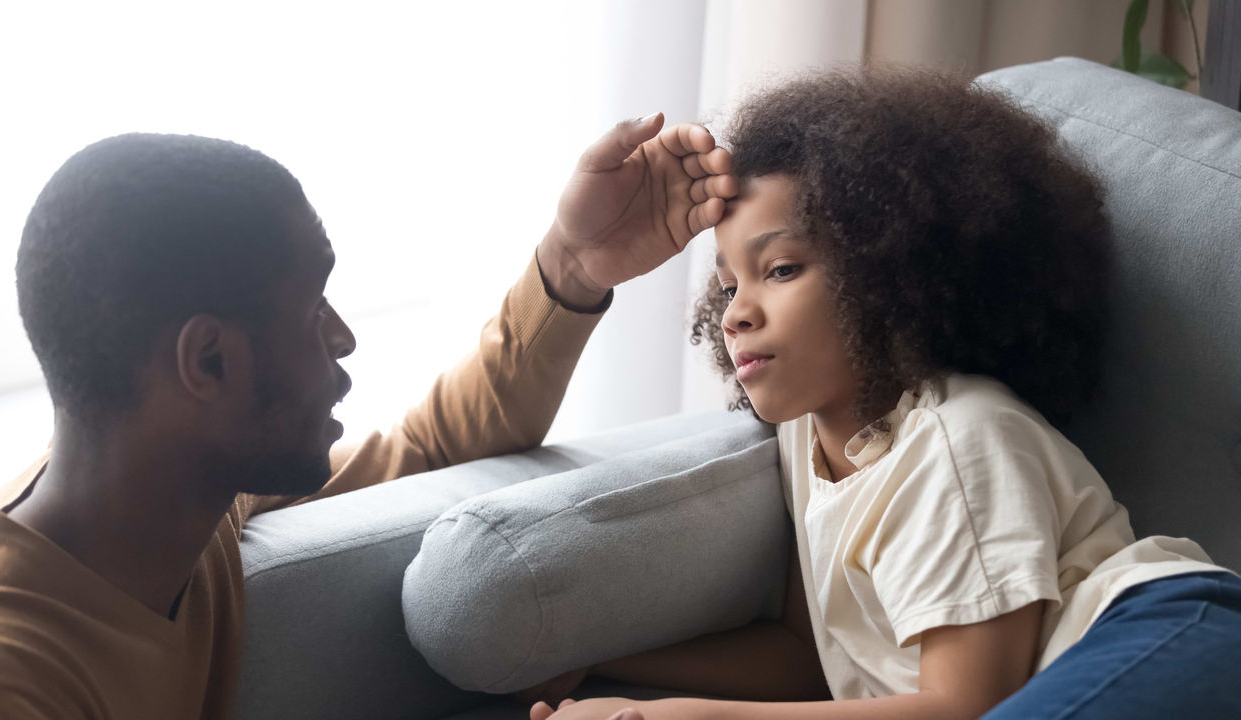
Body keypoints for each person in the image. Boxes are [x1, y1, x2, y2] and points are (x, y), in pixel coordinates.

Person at [0, 114, 737, 719]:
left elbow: (431, 448)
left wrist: (571, 264)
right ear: (208, 362)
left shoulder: (176, 499)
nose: (344, 337)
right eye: (312, 309)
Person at [527, 69, 1241, 720]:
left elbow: (965, 707)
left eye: (779, 269)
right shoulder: (806, 440)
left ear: (891, 268)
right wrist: (607, 666)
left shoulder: (962, 440)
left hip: (1173, 630)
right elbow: (813, 662)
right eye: (727, 284)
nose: (736, 312)